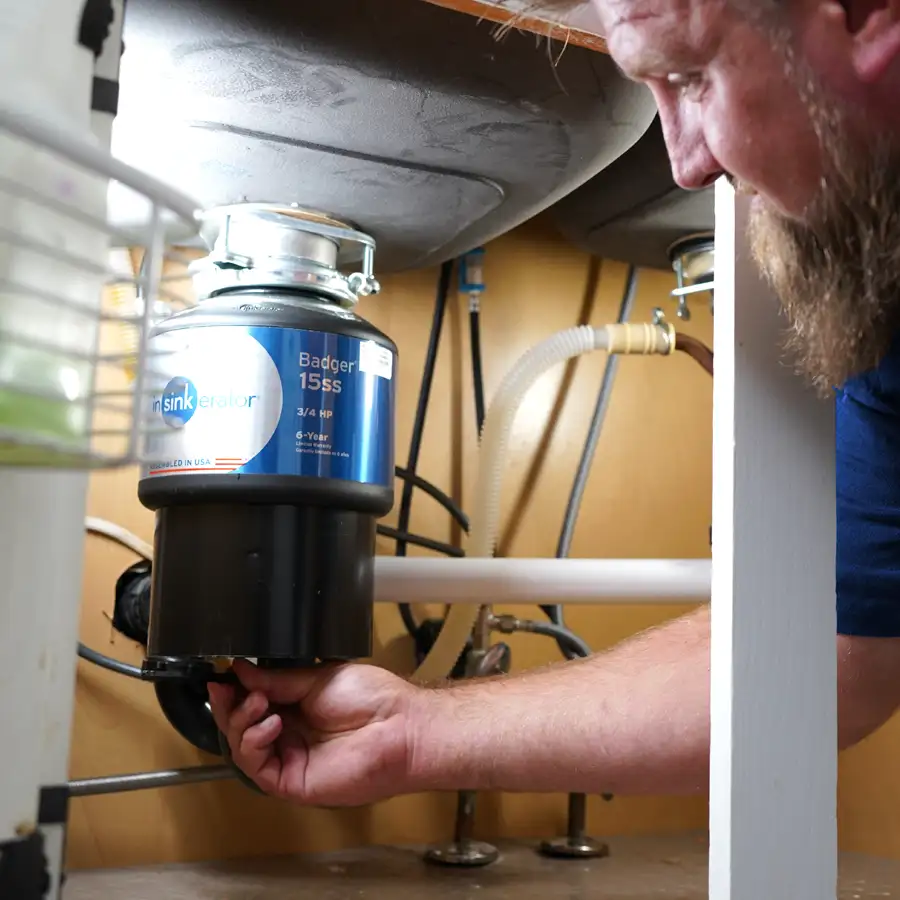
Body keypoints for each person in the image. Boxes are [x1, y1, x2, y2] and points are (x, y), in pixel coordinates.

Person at [207, 0, 900, 805]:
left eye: (692, 76)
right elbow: (825, 655)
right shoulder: (882, 328)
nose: (687, 163)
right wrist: (410, 736)